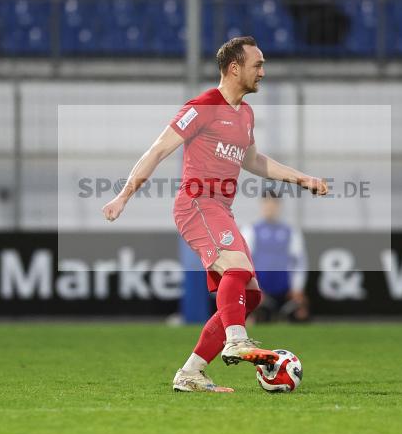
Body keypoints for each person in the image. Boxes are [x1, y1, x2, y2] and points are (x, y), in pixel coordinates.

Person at [102, 36, 329, 392]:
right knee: (236, 269)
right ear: (234, 68)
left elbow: (253, 161)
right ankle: (236, 339)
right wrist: (123, 196)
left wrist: (301, 178)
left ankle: (191, 372)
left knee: (250, 294)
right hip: (196, 204)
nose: (263, 72)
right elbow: (158, 150)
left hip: (220, 209)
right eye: (258, 65)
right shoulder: (203, 106)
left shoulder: (246, 114)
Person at [241, 189, 309, 323]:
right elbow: (244, 262)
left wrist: (297, 289)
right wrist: (253, 288)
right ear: (262, 205)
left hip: (285, 290)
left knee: (300, 315)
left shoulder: (291, 231)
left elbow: (299, 262)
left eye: (274, 204)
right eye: (267, 203)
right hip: (260, 289)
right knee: (253, 319)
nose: (270, 207)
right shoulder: (251, 230)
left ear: (279, 206)